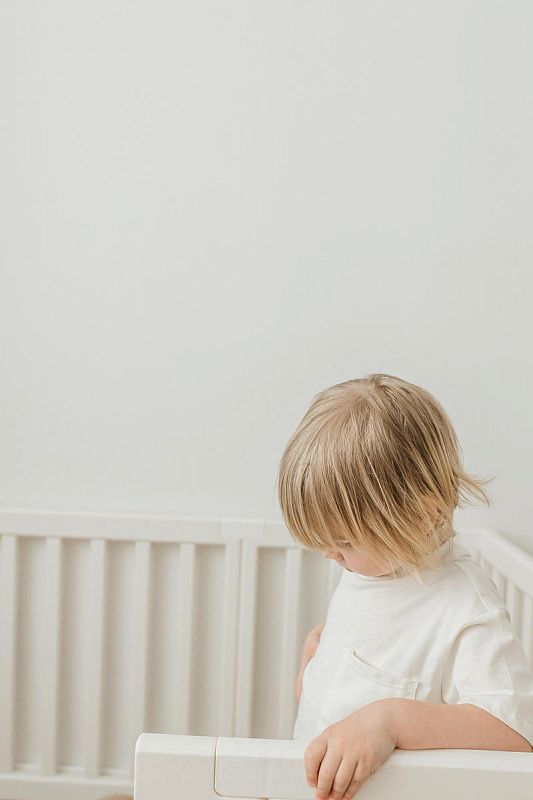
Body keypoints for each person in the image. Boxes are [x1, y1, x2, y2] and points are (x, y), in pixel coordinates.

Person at [277, 373, 533, 800]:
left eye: (344, 542)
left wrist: (391, 720)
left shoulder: (466, 609)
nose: (329, 553)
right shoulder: (373, 567)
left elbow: (514, 733)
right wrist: (319, 653)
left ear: (420, 516)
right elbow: (380, 641)